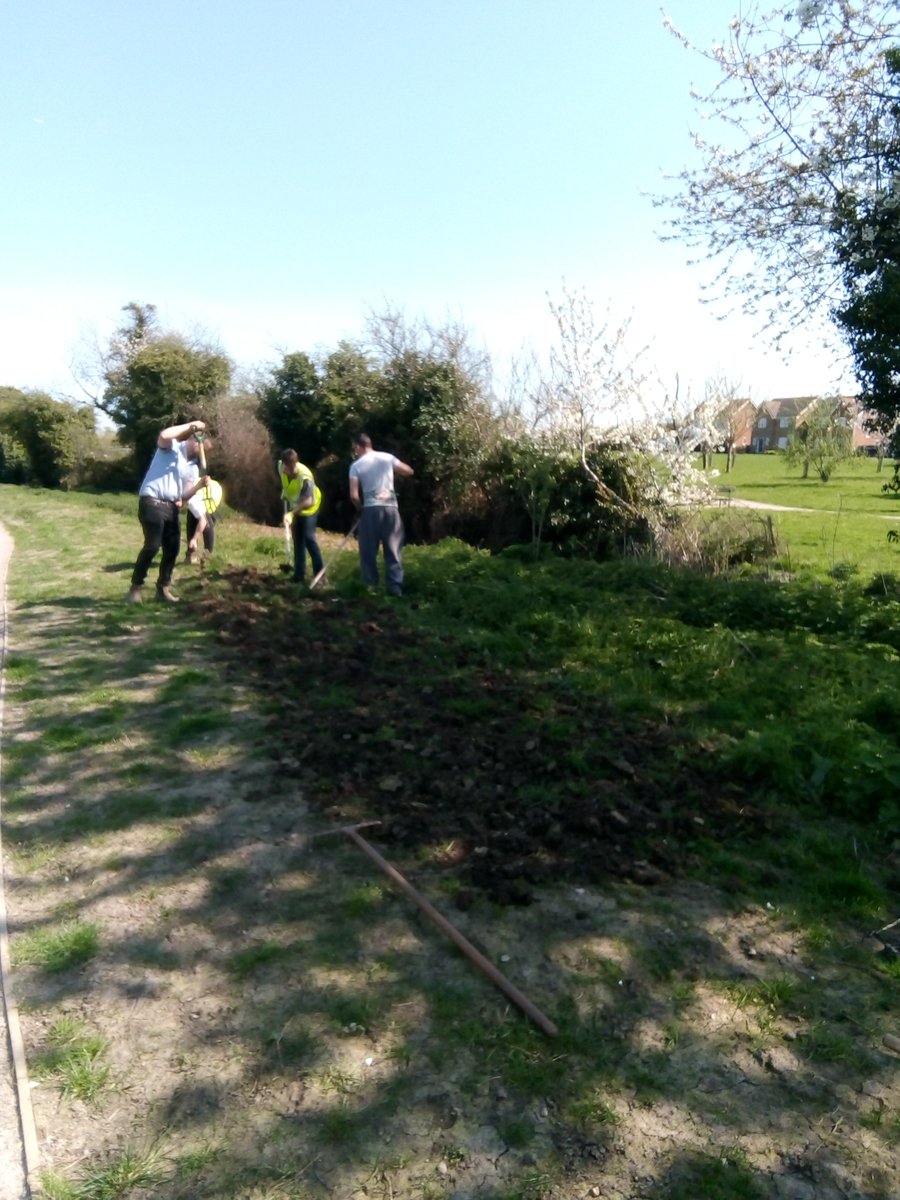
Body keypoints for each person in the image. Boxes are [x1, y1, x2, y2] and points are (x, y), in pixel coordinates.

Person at [127, 420, 210, 604]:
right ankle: (135, 588)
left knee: (173, 548)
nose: (199, 453)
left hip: (171, 506)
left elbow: (184, 496)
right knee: (153, 546)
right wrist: (192, 425)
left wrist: (198, 486)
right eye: (199, 447)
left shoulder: (190, 466)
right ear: (193, 441)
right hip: (152, 501)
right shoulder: (170, 447)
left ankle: (163, 589)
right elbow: (164, 435)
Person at [348, 432, 414, 596]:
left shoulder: (356, 466)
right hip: (390, 508)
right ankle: (395, 589)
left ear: (358, 447)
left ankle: (370, 588)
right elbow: (408, 471)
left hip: (370, 509)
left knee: (368, 552)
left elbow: (354, 496)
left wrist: (360, 509)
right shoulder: (387, 458)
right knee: (393, 549)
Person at [279, 449, 324, 584]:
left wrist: (291, 513)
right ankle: (299, 575)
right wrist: (285, 494)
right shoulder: (281, 467)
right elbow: (286, 484)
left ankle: (320, 575)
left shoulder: (305, 477)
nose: (285, 470)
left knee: (309, 539)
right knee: (298, 539)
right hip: (296, 506)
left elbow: (309, 501)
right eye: (285, 467)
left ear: (293, 465)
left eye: (288, 468)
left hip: (310, 508)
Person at [184, 476, 224, 564]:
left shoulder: (192, 500)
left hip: (208, 500)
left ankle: (206, 555)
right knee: (192, 519)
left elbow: (203, 521)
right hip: (199, 495)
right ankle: (191, 554)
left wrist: (194, 539)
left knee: (206, 525)